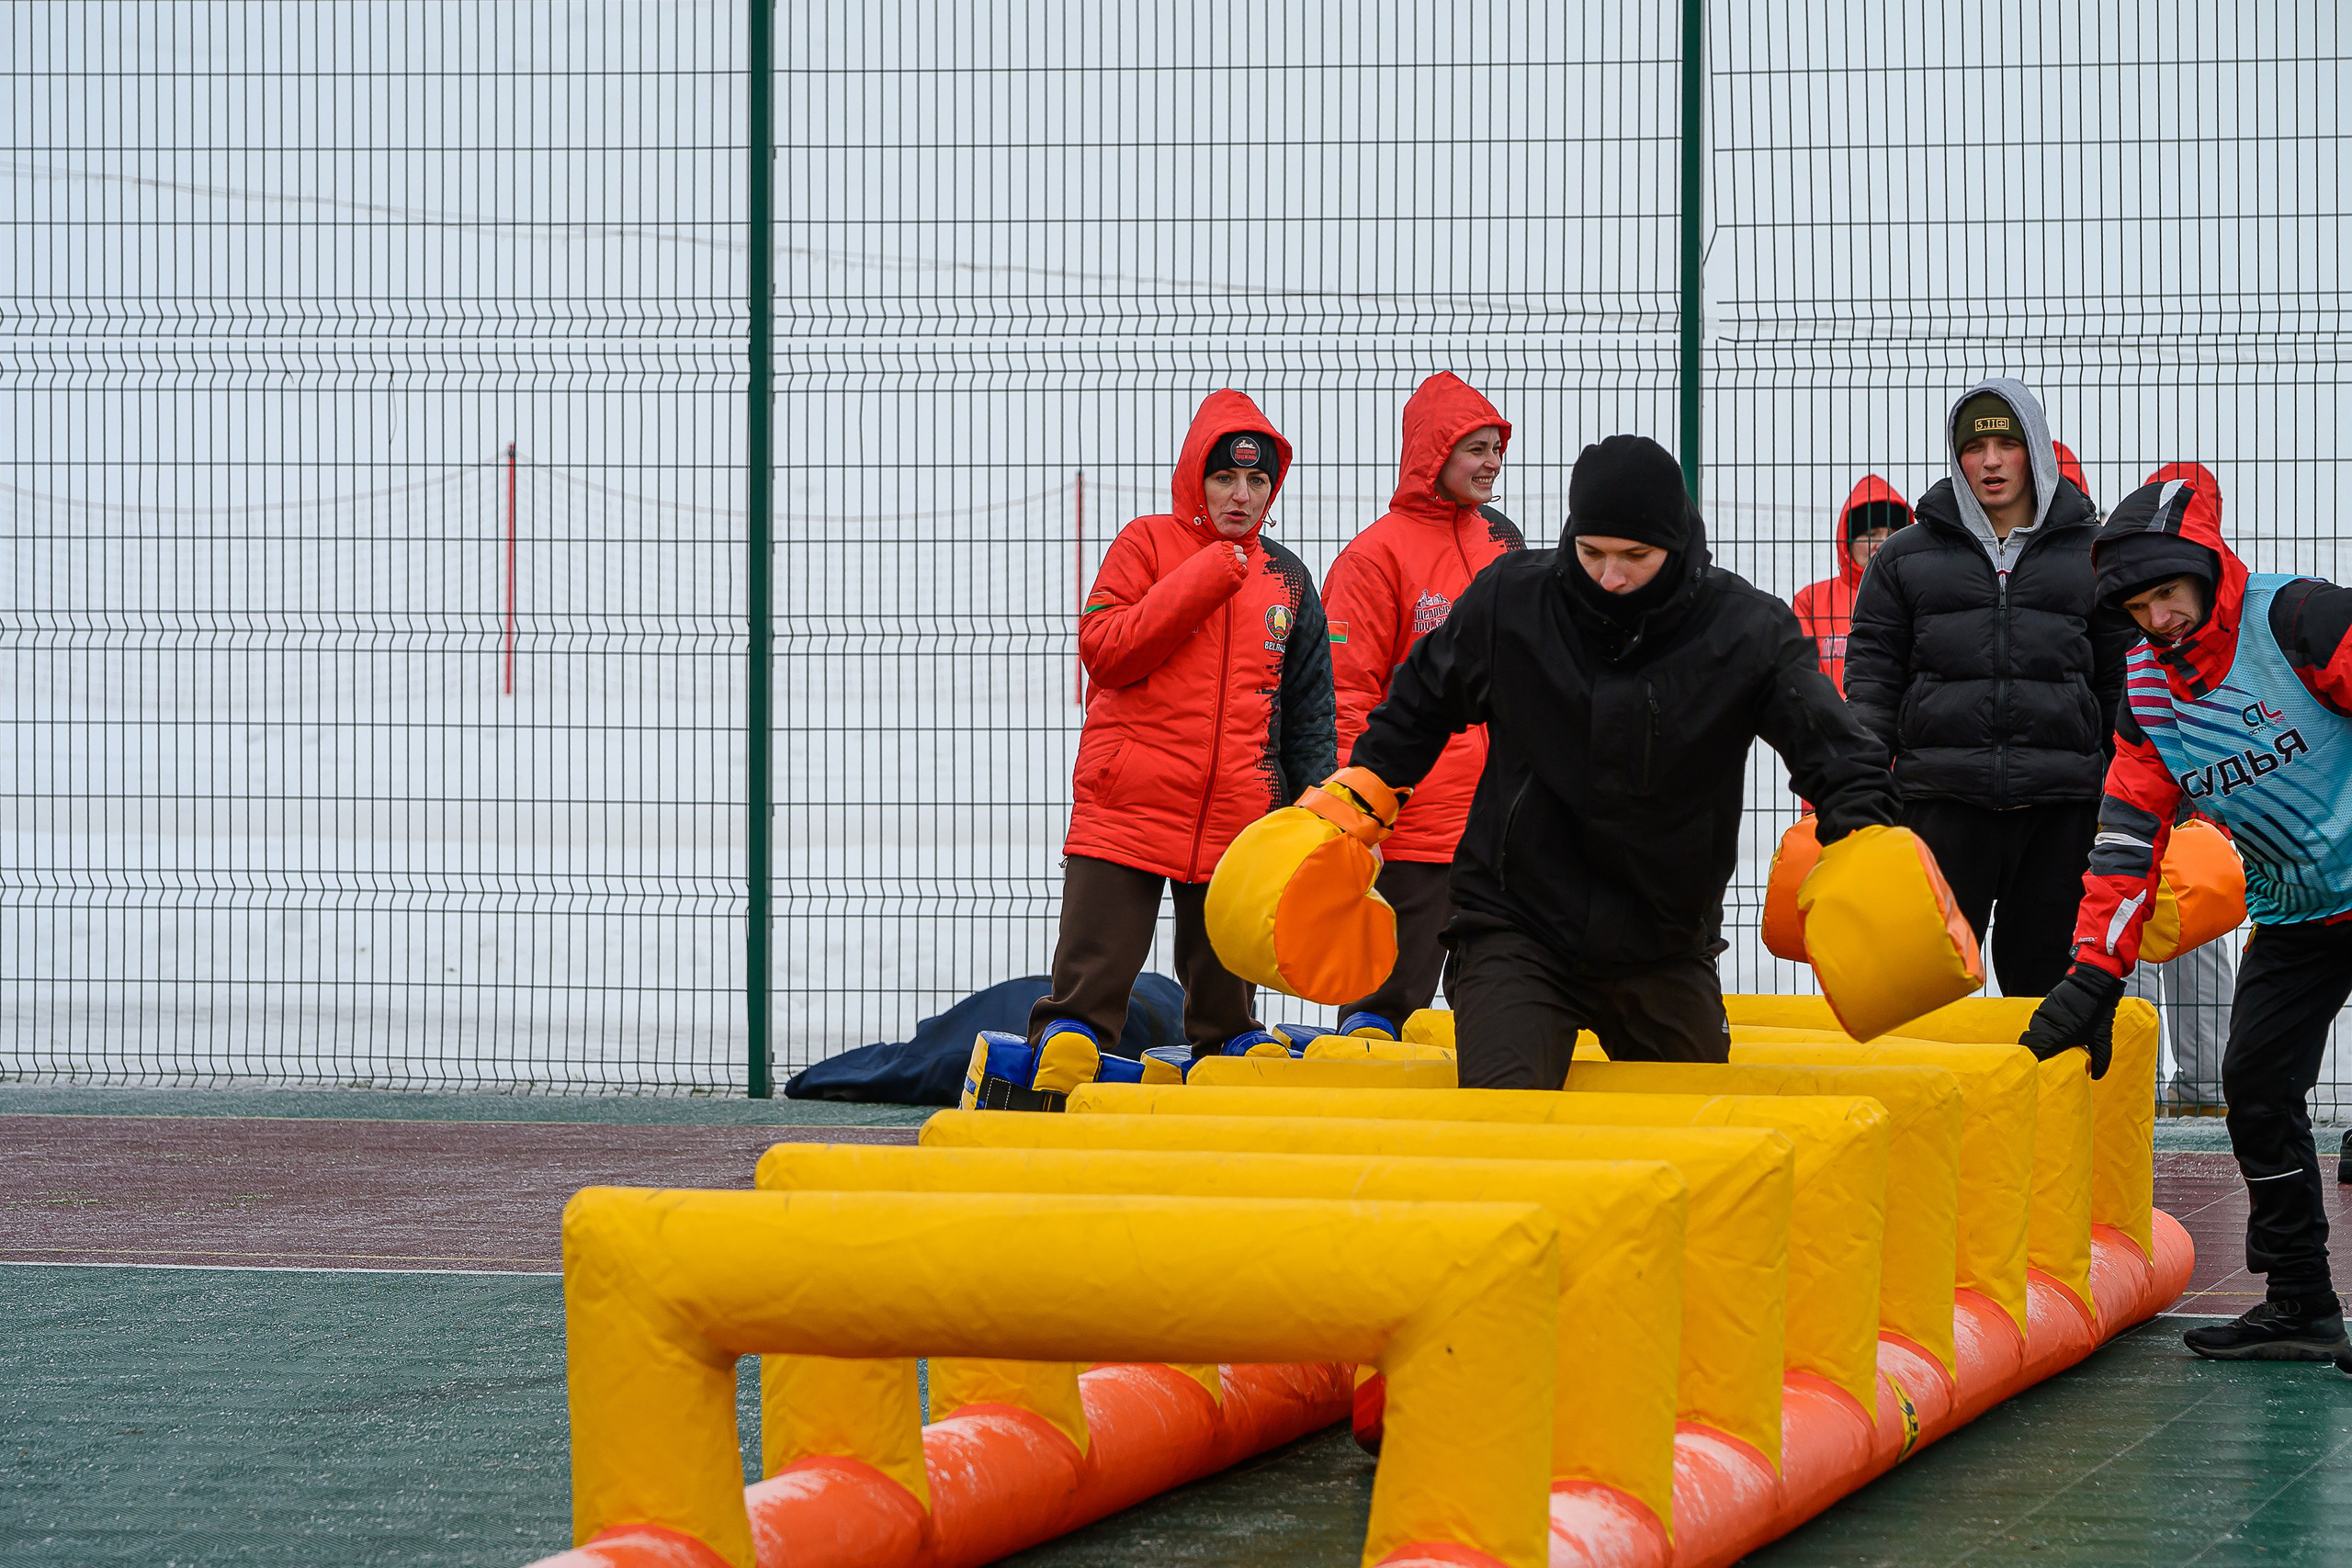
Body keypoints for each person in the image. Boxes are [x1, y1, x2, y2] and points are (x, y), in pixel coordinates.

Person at [1343, 434, 1899, 1087]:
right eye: (1592, 552)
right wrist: (1354, 804)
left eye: (1635, 556)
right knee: (1503, 1119)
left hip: (1662, 940)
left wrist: (1867, 838)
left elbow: (1832, 748)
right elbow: (1418, 704)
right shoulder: (1512, 604)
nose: (1610, 576)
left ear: (1677, 543)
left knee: (1696, 1138)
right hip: (1517, 922)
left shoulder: (1745, 631)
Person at [2019, 469, 2352, 1362]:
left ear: (2207, 567)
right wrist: (2092, 976)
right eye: (2137, 604)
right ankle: (2299, 1301)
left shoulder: (2301, 620)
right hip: (2297, 911)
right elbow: (2126, 843)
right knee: (2253, 1085)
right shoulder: (2147, 695)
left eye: (2170, 591)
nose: (2159, 617)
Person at [1029, 389, 1337, 1060]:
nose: (1241, 495)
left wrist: (1316, 814)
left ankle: (1221, 1107)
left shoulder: (1288, 579)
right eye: (1224, 476)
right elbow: (1105, 650)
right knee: (1082, 1008)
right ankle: (1063, 1089)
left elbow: (1311, 712)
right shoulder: (1146, 541)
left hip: (1237, 821)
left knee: (1229, 1021)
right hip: (1127, 809)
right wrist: (1203, 575)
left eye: (1258, 480)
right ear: (1195, 477)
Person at [1843, 378, 2138, 998]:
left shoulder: (2094, 555)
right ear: (1956, 457)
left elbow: (2124, 687)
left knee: (2051, 1002)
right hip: (1938, 808)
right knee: (1920, 1000)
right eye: (1976, 448)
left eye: (2009, 443)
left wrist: (2126, 800)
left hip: (2062, 814)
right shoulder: (1902, 558)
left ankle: (2051, 1101)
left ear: (2036, 448)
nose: (1993, 461)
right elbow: (1872, 686)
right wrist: (1860, 795)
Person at [1318, 373, 1524, 1033]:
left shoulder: (1501, 545)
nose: (1492, 462)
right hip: (1415, 832)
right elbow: (1346, 695)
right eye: (1476, 448)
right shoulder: (1374, 557)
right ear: (1433, 455)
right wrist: (1364, 813)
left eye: (1497, 447)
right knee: (1384, 1005)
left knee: (1501, 1006)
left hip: (1499, 827)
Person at [1792, 476, 1912, 693]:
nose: (1882, 545)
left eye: (1893, 535)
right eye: (1870, 535)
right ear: (1848, 542)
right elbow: (1802, 678)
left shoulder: (1923, 596)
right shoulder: (1811, 602)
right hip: (1833, 724)